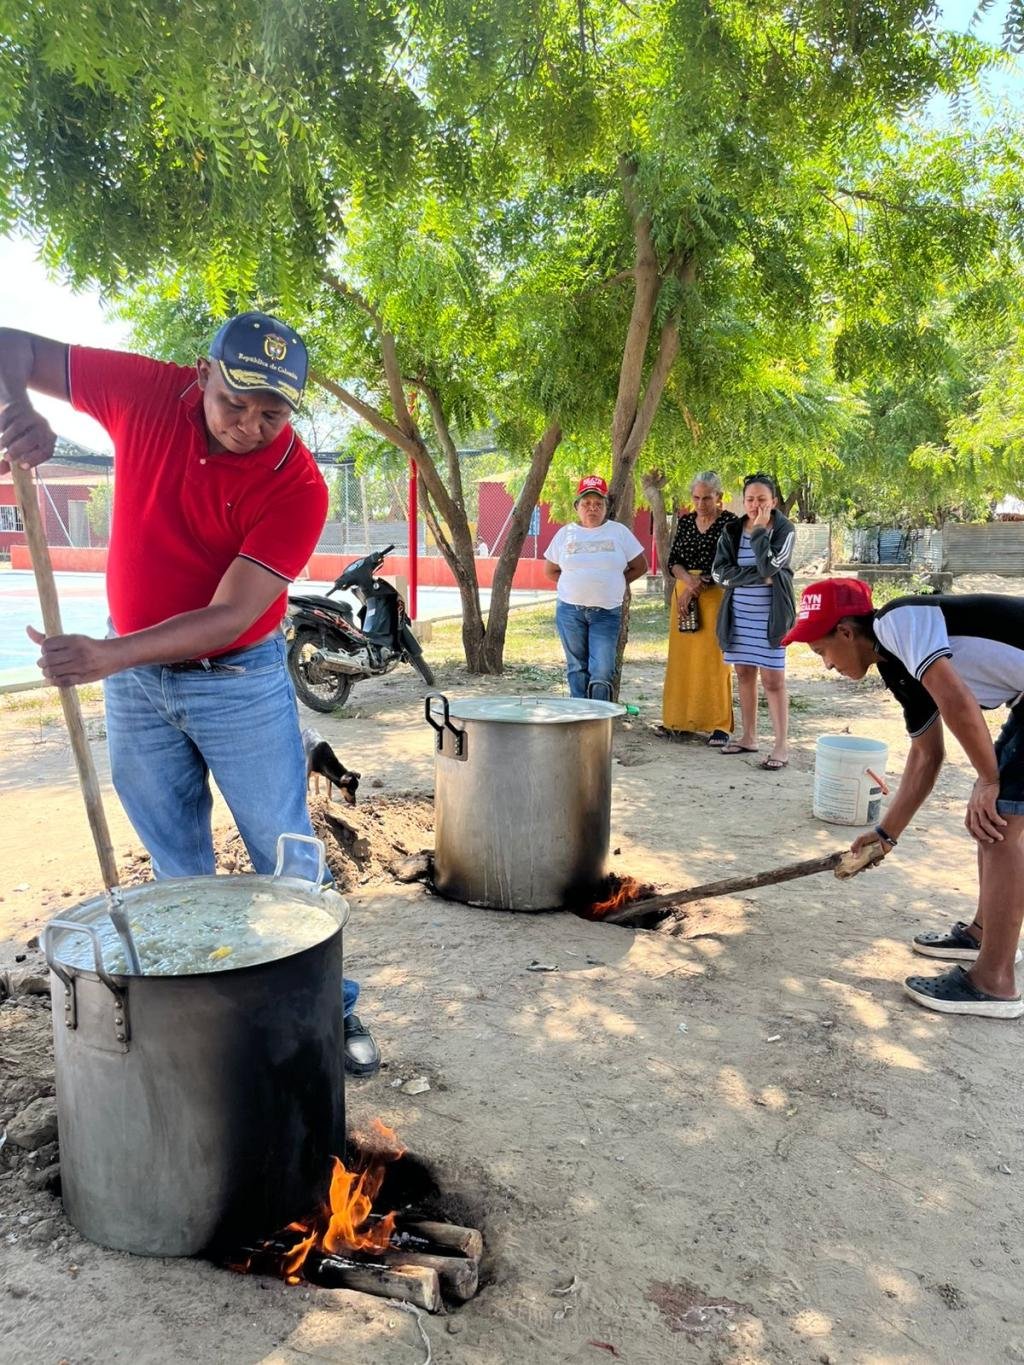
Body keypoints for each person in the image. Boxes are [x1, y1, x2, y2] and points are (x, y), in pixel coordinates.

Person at [0, 312, 380, 1074]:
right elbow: (13, 345)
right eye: (234, 401)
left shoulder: (298, 485)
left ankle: (326, 1013)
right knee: (178, 866)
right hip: (137, 685)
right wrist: (20, 404)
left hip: (237, 679)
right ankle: (209, 1025)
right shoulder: (144, 391)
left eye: (272, 413)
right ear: (202, 375)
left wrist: (108, 654)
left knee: (288, 859)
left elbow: (232, 614)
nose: (249, 425)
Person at [783, 578, 1024, 1019]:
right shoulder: (896, 667)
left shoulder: (899, 621)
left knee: (1000, 824)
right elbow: (927, 755)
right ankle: (982, 936)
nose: (827, 667)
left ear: (846, 632)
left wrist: (988, 780)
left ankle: (994, 982)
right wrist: (884, 834)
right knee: (992, 819)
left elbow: (955, 700)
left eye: (822, 652)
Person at [712, 473, 795, 770]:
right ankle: (749, 737)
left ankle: (781, 745)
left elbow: (773, 564)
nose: (755, 504)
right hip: (739, 615)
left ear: (773, 501)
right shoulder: (732, 530)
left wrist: (760, 534)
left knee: (774, 680)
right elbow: (720, 574)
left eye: (762, 499)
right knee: (744, 674)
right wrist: (762, 578)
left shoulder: (784, 530)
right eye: (750, 499)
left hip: (771, 618)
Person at [544, 475, 648, 700]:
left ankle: (598, 721)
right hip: (570, 612)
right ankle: (579, 718)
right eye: (586, 503)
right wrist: (575, 584)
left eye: (598, 503)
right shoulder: (565, 534)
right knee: (577, 667)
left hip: (606, 613)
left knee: (602, 669)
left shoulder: (618, 532)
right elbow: (551, 571)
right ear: (577, 507)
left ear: (606, 506)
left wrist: (615, 582)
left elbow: (640, 566)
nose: (592, 508)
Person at [660, 471, 737, 744]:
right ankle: (678, 720)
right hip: (683, 593)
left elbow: (729, 563)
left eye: (707, 498)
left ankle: (719, 725)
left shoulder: (730, 524)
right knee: (682, 659)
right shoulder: (685, 521)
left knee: (714, 660)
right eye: (696, 498)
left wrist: (697, 586)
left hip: (715, 594)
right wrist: (687, 583)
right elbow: (673, 561)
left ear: (719, 498)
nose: (701, 503)